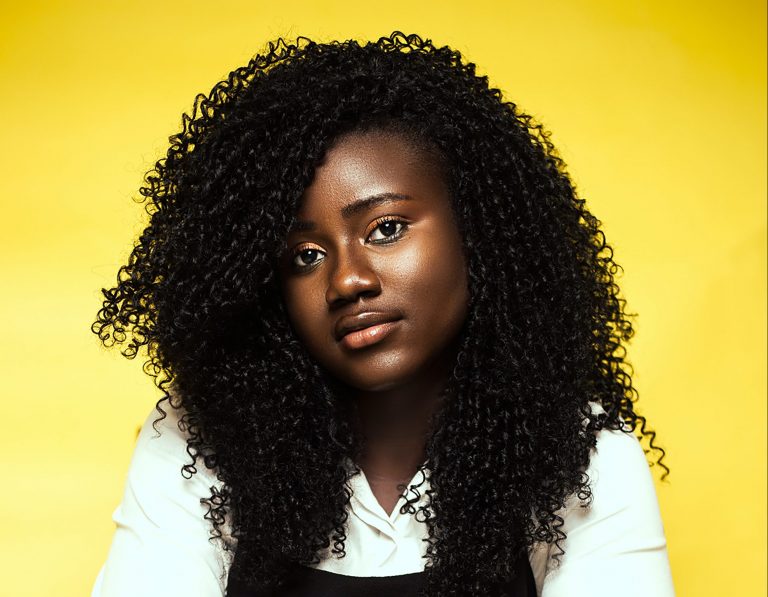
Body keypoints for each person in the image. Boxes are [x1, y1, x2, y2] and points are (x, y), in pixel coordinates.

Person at [91, 32, 674, 596]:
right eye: (305, 256)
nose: (347, 280)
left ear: (478, 227)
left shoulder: (579, 449)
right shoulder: (199, 442)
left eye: (386, 229)